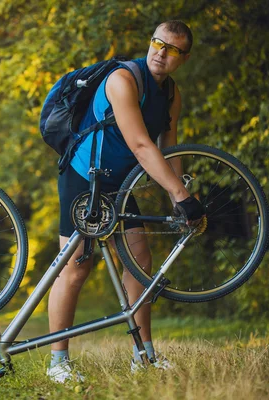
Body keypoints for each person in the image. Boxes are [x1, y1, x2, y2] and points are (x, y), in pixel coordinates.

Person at [47, 20, 205, 383]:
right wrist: (181, 197)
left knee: (140, 261)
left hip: (119, 183)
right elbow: (140, 145)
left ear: (184, 58)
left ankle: (144, 356)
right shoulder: (123, 79)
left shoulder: (171, 94)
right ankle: (57, 364)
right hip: (84, 175)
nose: (161, 53)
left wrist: (177, 194)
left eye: (172, 50)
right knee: (76, 266)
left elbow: (169, 146)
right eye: (157, 43)